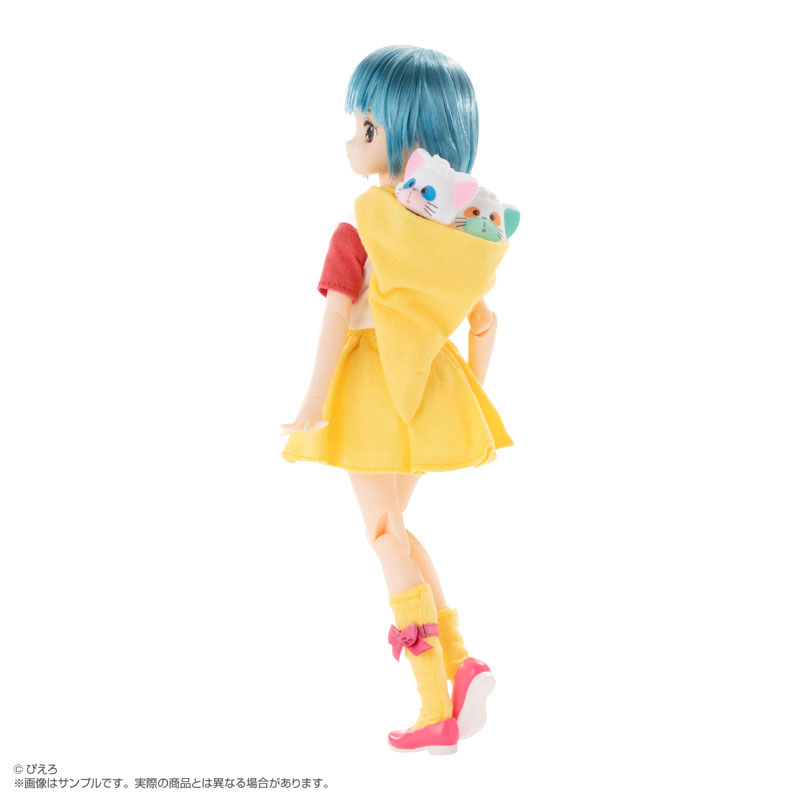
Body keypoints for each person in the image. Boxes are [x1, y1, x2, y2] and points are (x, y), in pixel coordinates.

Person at [280, 45, 514, 755]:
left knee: (384, 536)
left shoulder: (358, 230)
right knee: (398, 531)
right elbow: (484, 323)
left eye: (368, 127)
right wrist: (466, 398)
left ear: (410, 138)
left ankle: (432, 705)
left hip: (368, 399)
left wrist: (313, 399)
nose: (353, 140)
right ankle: (461, 662)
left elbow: (334, 316)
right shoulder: (452, 238)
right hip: (427, 393)